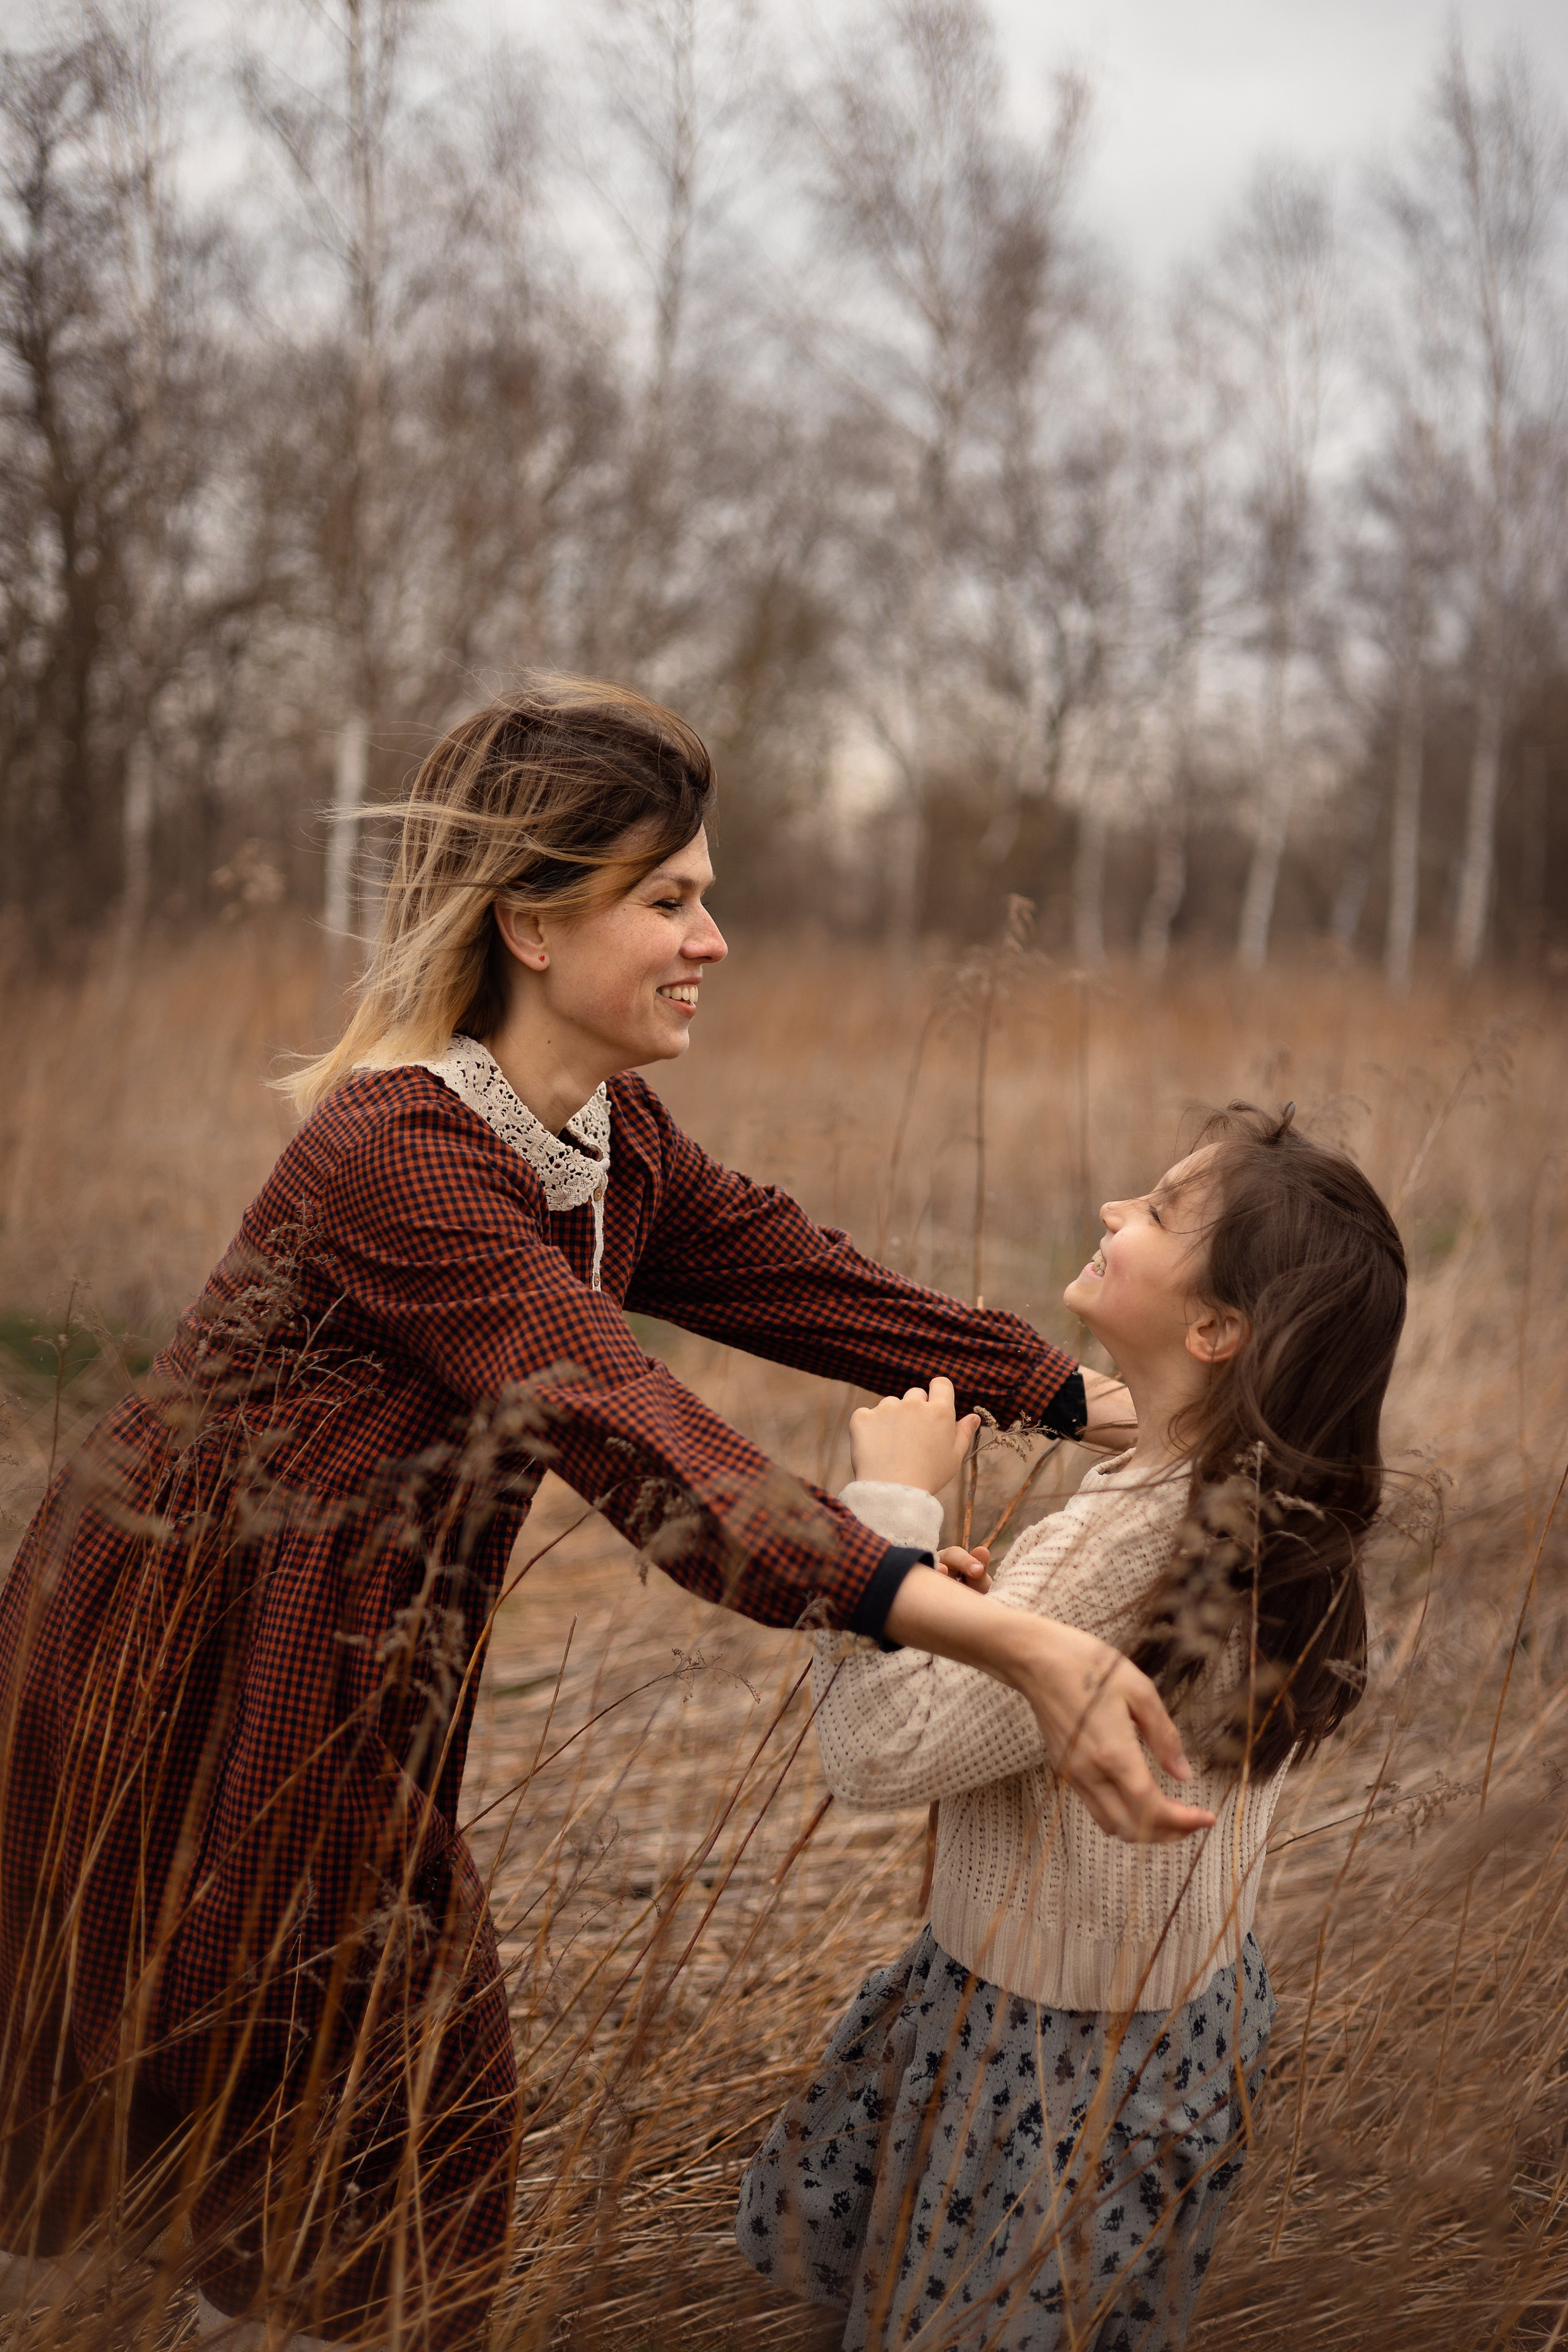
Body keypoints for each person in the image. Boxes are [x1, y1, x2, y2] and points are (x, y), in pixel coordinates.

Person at [0, 677, 1214, 2352]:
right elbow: (634, 1436)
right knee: (213, 2065)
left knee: (376, 2111)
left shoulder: (607, 1140)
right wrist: (992, 1632)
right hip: (188, 1650)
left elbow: (795, 1272)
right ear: (534, 923)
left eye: (703, 893)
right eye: (672, 899)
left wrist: (1091, 1403)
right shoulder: (400, 1153)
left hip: (360, 1657)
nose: (714, 937)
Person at [737, 1105, 1408, 2350]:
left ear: (1214, 1331)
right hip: (1171, 2028)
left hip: (1038, 2052)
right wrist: (956, 1621)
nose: (1112, 1212)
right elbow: (1025, 1720)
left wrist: (886, 1511)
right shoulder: (1257, 1500)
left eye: (1155, 1211)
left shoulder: (1127, 1539)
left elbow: (873, 1756)